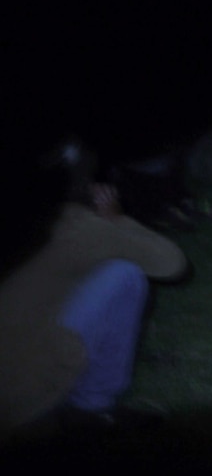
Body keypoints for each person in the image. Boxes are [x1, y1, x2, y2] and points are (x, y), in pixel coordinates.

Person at [0, 139, 188, 434]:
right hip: (21, 397)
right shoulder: (74, 224)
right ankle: (92, 406)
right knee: (124, 274)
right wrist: (117, 220)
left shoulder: (20, 222)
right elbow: (173, 263)